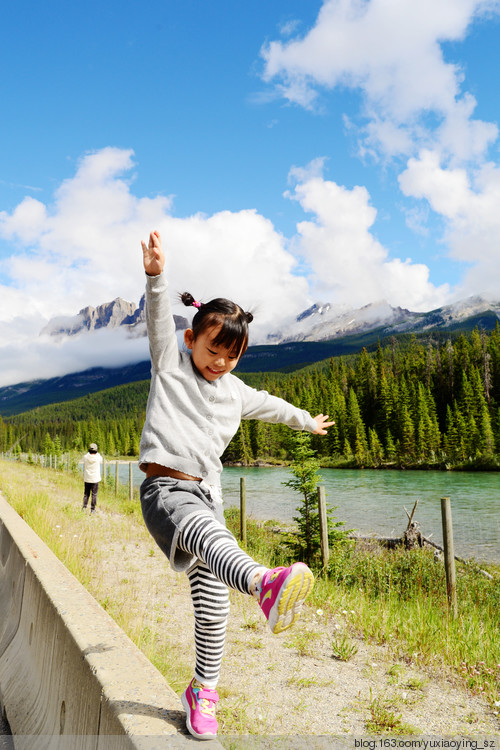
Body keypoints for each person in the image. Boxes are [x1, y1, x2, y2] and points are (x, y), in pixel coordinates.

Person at [139, 230, 335, 740]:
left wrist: (304, 421)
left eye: (232, 356)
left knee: (214, 603)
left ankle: (203, 691)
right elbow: (159, 318)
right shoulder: (170, 364)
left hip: (207, 497)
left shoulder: (234, 389)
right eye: (213, 350)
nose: (220, 363)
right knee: (210, 538)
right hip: (166, 490)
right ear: (191, 340)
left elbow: (269, 404)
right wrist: (157, 276)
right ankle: (263, 584)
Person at [82, 443, 103, 513]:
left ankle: (84, 507)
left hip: (87, 478)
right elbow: (101, 459)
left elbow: (85, 457)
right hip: (95, 479)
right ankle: (93, 509)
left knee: (86, 494)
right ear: (96, 450)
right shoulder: (98, 458)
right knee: (94, 494)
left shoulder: (86, 457)